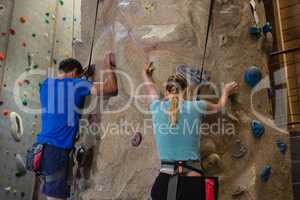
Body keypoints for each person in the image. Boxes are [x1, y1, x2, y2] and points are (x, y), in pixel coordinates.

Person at [142, 62, 238, 200]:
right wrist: (226, 92)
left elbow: (150, 89)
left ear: (166, 92)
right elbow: (219, 108)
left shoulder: (156, 107)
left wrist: (145, 74)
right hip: (192, 179)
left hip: (164, 182)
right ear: (186, 91)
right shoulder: (198, 106)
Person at [35, 53, 118, 200]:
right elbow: (111, 88)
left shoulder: (46, 85)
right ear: (74, 73)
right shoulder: (77, 84)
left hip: (43, 150)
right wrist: (106, 66)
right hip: (57, 151)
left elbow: (65, 87)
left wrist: (81, 78)